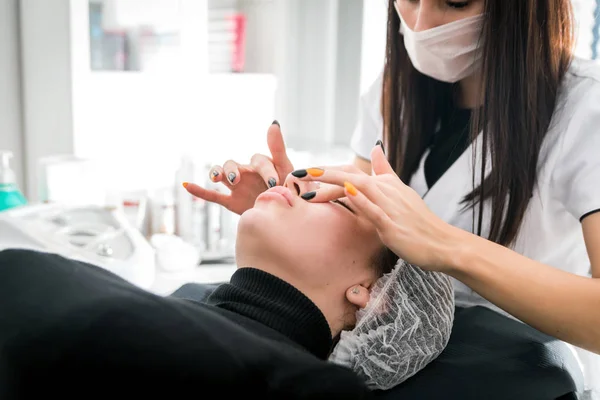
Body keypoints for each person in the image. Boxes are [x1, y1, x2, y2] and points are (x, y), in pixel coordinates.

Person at [189, 0, 600, 396]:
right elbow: (359, 216)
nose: (421, 22)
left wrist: (443, 245)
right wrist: (285, 203)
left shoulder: (586, 109)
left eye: (455, 2)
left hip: (520, 378)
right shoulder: (392, 92)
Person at [0, 175, 407, 399]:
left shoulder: (309, 389)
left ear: (370, 291)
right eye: (308, 183)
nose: (299, 185)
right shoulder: (179, 302)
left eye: (337, 202)